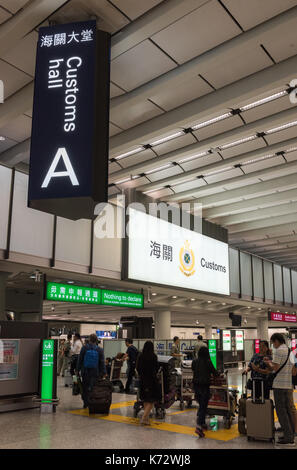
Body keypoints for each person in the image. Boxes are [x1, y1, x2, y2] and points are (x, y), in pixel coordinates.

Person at [264, 333, 295, 447]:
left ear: (277, 341)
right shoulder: (290, 351)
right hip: (288, 385)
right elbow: (292, 369)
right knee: (287, 411)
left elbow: (275, 368)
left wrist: (268, 363)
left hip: (279, 385)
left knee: (281, 412)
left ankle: (289, 438)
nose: (273, 345)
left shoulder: (278, 351)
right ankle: (290, 434)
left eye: (273, 343)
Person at [192, 346, 220, 438]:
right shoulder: (207, 361)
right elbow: (215, 372)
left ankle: (202, 423)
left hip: (196, 386)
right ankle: (198, 427)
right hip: (204, 386)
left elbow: (193, 370)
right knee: (203, 407)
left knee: (201, 405)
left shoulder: (195, 361)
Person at [77, 334, 106, 409]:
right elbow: (102, 362)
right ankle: (92, 402)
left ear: (89, 340)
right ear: (96, 340)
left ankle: (85, 402)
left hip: (85, 371)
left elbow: (80, 360)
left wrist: (77, 369)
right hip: (95, 372)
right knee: (94, 387)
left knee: (85, 387)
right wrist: (103, 372)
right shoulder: (99, 349)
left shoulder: (84, 348)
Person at [136, 340, 161, 426]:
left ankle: (146, 419)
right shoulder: (153, 356)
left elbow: (138, 368)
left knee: (145, 399)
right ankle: (144, 418)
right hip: (151, 380)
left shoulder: (140, 356)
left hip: (143, 380)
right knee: (152, 400)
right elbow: (156, 368)